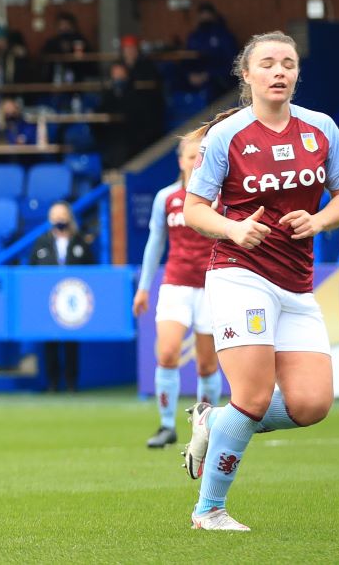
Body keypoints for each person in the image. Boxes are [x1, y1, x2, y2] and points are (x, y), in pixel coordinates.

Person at [179, 31, 339, 531]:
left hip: (297, 283)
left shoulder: (321, 129)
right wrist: (235, 228)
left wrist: (319, 221)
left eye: (289, 63)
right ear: (247, 75)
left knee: (311, 404)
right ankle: (209, 510)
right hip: (240, 273)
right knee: (253, 398)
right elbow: (195, 209)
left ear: (298, 73)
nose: (280, 72)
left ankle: (213, 422)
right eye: (269, 64)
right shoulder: (226, 135)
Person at [132, 134, 220, 449]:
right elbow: (155, 243)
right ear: (180, 161)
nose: (195, 162)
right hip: (176, 283)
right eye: (189, 156)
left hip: (212, 285)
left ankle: (205, 427)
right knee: (167, 352)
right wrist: (144, 287)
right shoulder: (166, 198)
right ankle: (167, 426)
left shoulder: (218, 197)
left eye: (201, 156)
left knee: (207, 364)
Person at [29, 201, 95, 392]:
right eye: (55, 216)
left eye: (62, 215)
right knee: (50, 341)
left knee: (71, 342)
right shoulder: (41, 242)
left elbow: (92, 270)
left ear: (69, 217)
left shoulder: (79, 241)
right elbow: (32, 270)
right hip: (48, 300)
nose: (59, 219)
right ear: (50, 219)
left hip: (74, 299)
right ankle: (52, 383)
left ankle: (72, 383)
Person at [184, 2, 238, 97]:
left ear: (213, 15)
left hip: (217, 77)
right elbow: (188, 58)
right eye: (202, 14)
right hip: (197, 75)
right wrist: (190, 74)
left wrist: (208, 74)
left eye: (207, 13)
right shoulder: (194, 36)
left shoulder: (223, 35)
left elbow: (232, 63)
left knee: (212, 88)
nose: (205, 16)